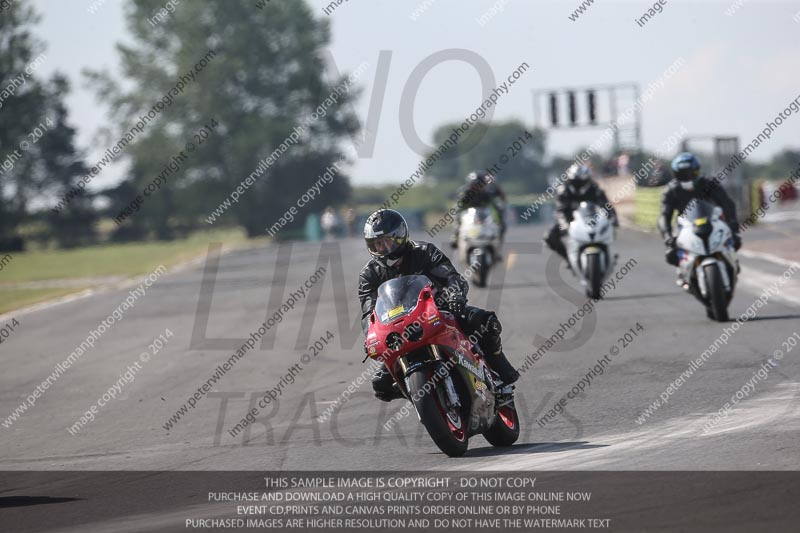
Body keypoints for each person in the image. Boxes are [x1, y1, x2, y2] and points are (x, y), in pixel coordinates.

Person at [359, 209, 519, 401]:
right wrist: (371, 334)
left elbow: (452, 277)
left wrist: (455, 295)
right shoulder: (368, 275)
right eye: (378, 243)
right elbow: (368, 310)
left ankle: (501, 375)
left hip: (440, 312)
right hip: (399, 330)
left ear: (400, 236)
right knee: (381, 385)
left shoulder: (425, 252)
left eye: (388, 240)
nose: (384, 247)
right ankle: (424, 396)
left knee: (485, 322)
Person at [658, 152, 741, 266]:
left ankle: (732, 262)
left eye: (690, 173)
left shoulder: (709, 183)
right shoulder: (671, 190)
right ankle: (683, 273)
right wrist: (667, 237)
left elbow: (726, 203)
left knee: (734, 241)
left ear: (697, 171)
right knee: (671, 254)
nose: (687, 176)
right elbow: (664, 215)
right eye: (682, 174)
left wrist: (732, 222)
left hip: (712, 220)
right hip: (685, 225)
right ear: (676, 174)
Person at [544, 164, 618, 262]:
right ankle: (568, 259)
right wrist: (565, 225)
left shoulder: (594, 189)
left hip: (592, 219)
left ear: (587, 179)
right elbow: (560, 211)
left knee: (610, 231)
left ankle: (608, 257)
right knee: (550, 237)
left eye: (581, 182)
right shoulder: (564, 191)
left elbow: (606, 205)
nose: (578, 185)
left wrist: (613, 218)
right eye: (575, 182)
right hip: (569, 220)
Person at [449, 171, 507, 249]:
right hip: (469, 213)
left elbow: (496, 204)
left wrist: (499, 221)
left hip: (483, 213)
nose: (476, 188)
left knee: (500, 216)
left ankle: (498, 240)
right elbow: (458, 208)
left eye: (479, 185)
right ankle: (455, 236)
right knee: (456, 215)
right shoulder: (465, 194)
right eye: (474, 185)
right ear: (469, 185)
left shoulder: (488, 193)